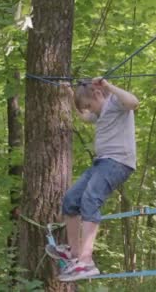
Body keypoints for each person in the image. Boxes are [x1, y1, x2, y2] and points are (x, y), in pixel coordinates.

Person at [46, 77, 139, 282]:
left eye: (90, 104)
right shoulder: (99, 112)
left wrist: (108, 86)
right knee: (71, 200)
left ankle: (87, 261)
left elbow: (133, 102)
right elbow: (85, 116)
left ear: (98, 94)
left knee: (90, 199)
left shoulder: (115, 103)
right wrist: (70, 93)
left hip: (118, 162)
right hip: (101, 163)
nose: (90, 110)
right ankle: (75, 254)